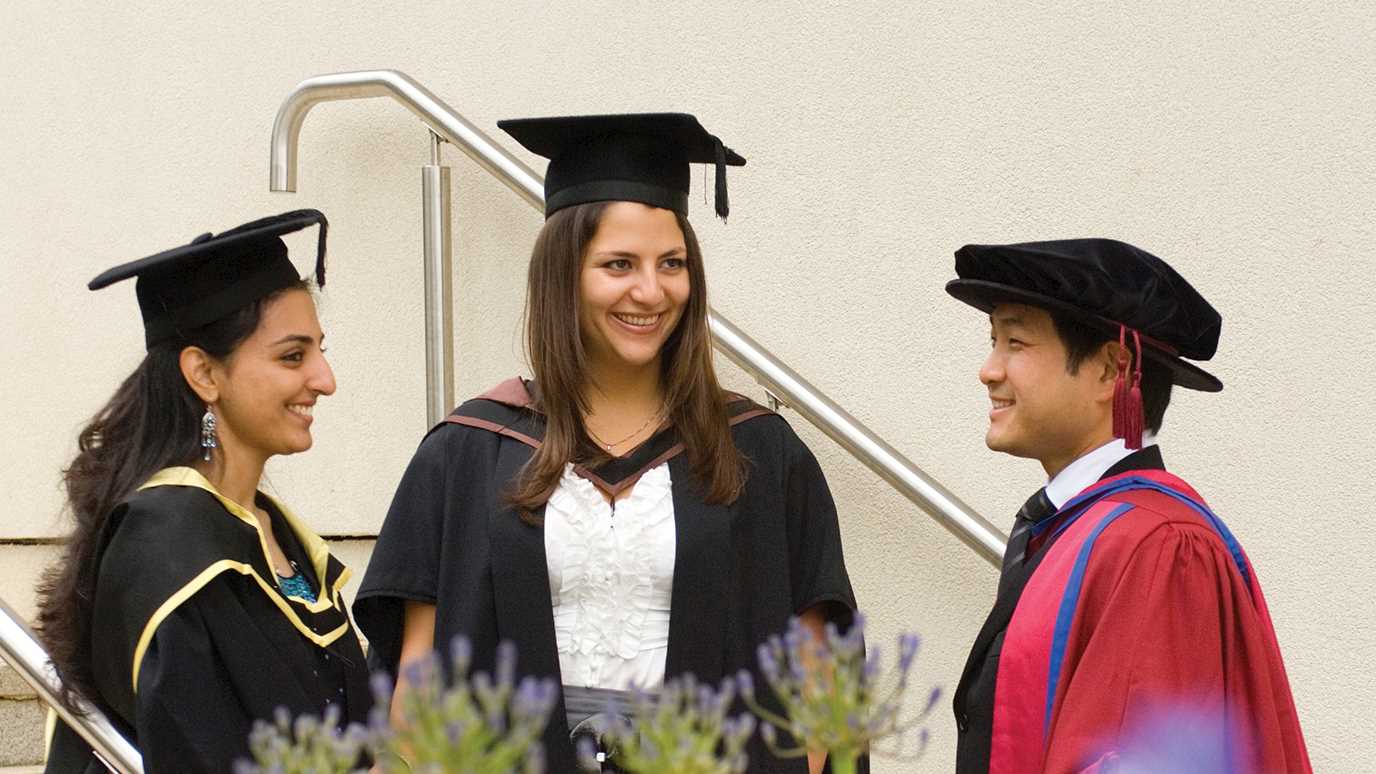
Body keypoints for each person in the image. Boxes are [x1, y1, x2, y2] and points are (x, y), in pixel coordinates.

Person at [355, 114, 861, 773]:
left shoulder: (761, 455)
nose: (650, 291)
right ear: (564, 273)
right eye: (618, 264)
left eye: (671, 264)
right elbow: (416, 694)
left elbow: (815, 686)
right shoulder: (468, 452)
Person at [944, 239, 1311, 773]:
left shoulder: (1160, 547)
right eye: (993, 340)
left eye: (1015, 343)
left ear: (1112, 369)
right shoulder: (1074, 530)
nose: (989, 370)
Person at [37, 211, 371, 773]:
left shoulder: (269, 530)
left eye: (320, 349)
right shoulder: (167, 546)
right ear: (204, 374)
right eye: (293, 356)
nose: (325, 379)